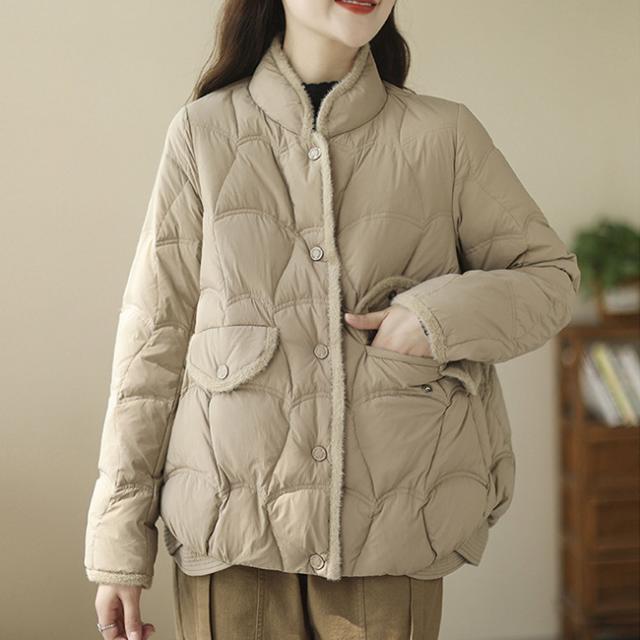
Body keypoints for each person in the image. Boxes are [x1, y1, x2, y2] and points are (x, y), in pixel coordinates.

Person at [85, 0, 581, 638]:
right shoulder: (202, 132)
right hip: (228, 528)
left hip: (392, 527)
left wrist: (432, 318)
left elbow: (550, 278)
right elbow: (152, 343)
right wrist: (119, 544)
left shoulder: (443, 134)